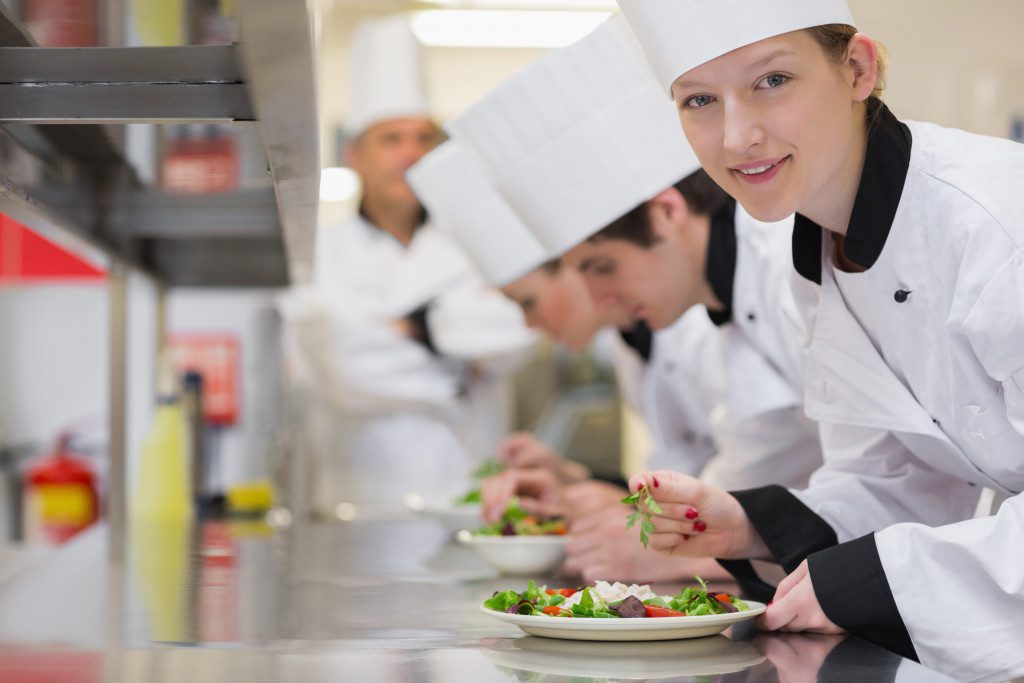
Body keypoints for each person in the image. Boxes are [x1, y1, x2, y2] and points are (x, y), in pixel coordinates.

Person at [616, 0, 1024, 679]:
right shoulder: (817, 262)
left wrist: (878, 576)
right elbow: (899, 478)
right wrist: (750, 522)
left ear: (859, 68)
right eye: (698, 100)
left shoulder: (997, 225)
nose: (736, 136)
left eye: (772, 81)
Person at [448, 16, 822, 583]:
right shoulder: (720, 300)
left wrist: (694, 550)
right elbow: (727, 479)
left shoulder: (792, 275)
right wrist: (587, 492)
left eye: (601, 268)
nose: (600, 300)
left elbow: (875, 493)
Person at [407, 140, 725, 583]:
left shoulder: (702, 320)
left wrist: (629, 513)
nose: (531, 324)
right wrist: (575, 480)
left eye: (530, 301)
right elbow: (696, 480)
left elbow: (760, 494)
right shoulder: (630, 342)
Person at [281, 16, 534, 514]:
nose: (410, 154)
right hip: (359, 504)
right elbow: (339, 366)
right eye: (391, 139)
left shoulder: (480, 245)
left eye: (424, 138)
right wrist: (460, 366)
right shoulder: (318, 254)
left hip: (472, 499)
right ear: (355, 154)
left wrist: (406, 330)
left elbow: (519, 334)